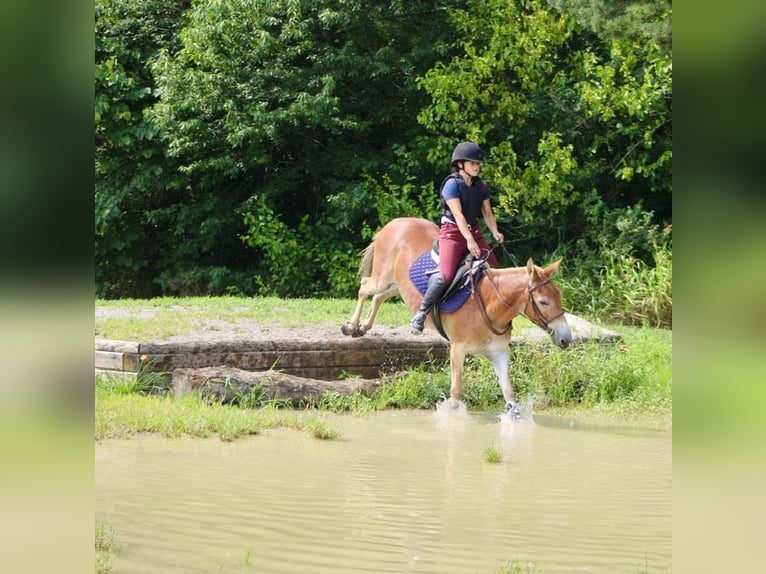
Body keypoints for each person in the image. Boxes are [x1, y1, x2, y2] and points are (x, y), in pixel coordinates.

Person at [410, 141, 505, 334]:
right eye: (472, 163)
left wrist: (494, 231)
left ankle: (493, 314)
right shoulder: (451, 185)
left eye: (478, 164)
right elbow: (458, 215)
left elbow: (487, 213)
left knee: (495, 269)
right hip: (452, 234)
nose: (477, 166)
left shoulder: (481, 186)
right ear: (461, 164)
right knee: (445, 275)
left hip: (474, 232)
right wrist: (469, 240)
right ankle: (421, 313)